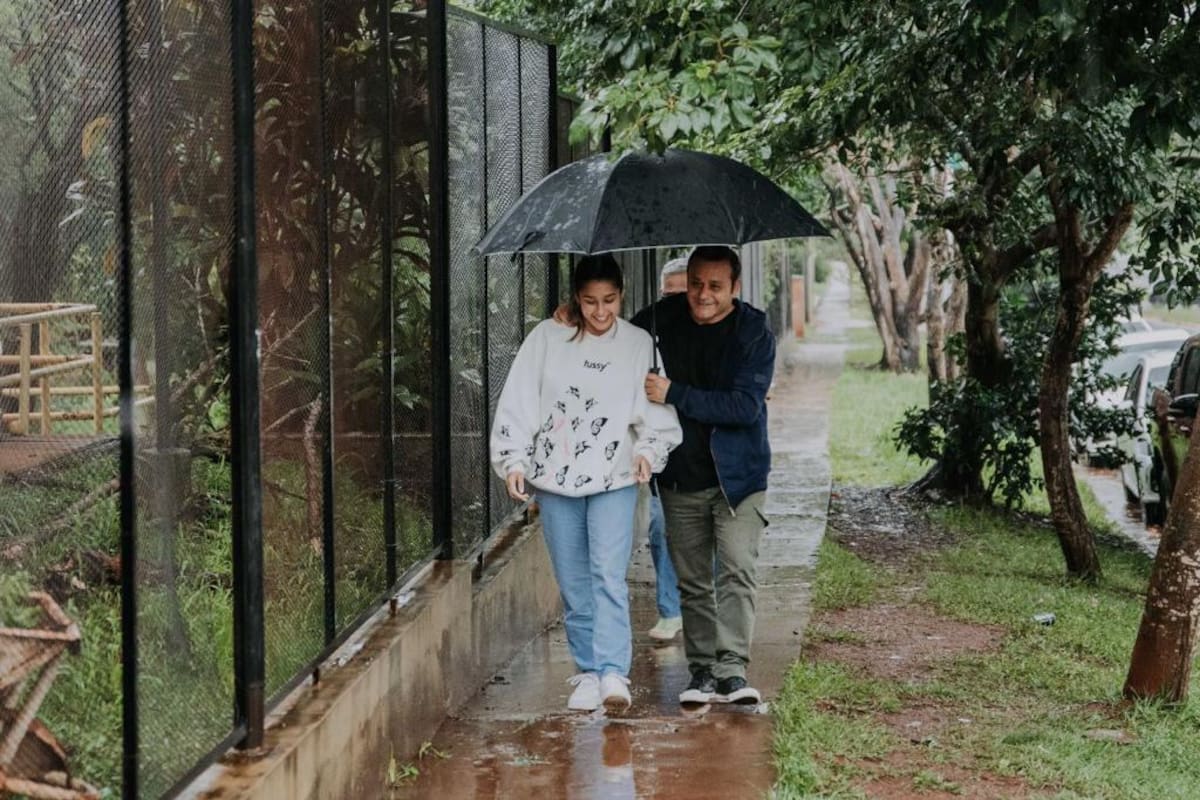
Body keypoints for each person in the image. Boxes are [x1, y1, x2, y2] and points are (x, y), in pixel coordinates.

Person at [490, 254, 682, 715]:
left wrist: (647, 451)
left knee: (607, 575)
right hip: (556, 482)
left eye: (610, 301)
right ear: (576, 299)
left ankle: (614, 671)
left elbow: (654, 413)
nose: (600, 312)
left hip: (614, 477)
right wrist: (512, 459)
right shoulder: (546, 339)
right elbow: (520, 399)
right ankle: (589, 670)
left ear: (621, 295)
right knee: (574, 580)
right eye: (591, 301)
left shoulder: (639, 343)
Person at [635, 245, 775, 707]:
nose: (702, 295)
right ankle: (701, 672)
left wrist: (675, 393)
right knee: (693, 580)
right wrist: (571, 315)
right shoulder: (661, 319)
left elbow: (744, 407)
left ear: (735, 287)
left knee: (736, 570)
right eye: (695, 283)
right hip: (681, 476)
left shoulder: (753, 332)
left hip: (738, 478)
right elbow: (610, 335)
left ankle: (733, 671)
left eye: (715, 286)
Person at [644, 256, 687, 641]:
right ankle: (670, 611)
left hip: (705, 451)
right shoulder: (646, 333)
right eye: (668, 294)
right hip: (662, 449)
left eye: (683, 293)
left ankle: (705, 606)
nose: (675, 301)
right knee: (660, 526)